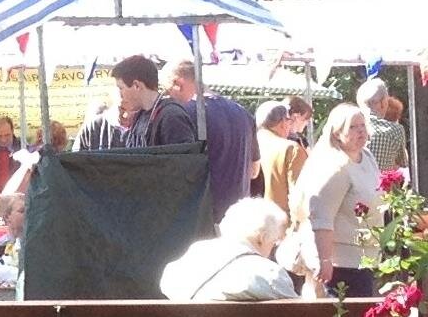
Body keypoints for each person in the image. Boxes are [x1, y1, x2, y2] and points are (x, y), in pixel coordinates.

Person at [159, 198, 305, 317]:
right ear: (262, 237)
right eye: (275, 242)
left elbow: (168, 285)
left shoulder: (196, 255)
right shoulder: (268, 272)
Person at [293, 104, 381, 298]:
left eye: (362, 125)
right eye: (352, 127)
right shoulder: (334, 167)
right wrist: (324, 260)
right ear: (336, 133)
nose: (361, 131)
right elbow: (321, 217)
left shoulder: (367, 157)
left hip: (366, 257)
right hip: (341, 264)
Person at [167, 59, 254, 218]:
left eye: (166, 90)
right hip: (239, 216)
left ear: (178, 83)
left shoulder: (184, 114)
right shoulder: (243, 113)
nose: (168, 97)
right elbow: (254, 171)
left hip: (201, 217)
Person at [115, 55, 195, 148]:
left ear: (136, 86)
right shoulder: (140, 115)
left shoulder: (172, 116)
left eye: (121, 88)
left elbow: (184, 159)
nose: (120, 95)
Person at [256, 102, 308, 212]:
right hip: (281, 222)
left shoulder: (249, 144)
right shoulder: (291, 149)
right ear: (283, 122)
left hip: (252, 219)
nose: (289, 125)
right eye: (289, 120)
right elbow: (301, 197)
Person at [355, 79, 410, 173]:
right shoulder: (395, 130)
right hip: (381, 186)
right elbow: (403, 164)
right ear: (384, 102)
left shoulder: (349, 127)